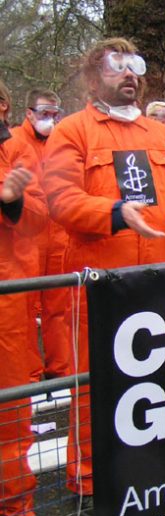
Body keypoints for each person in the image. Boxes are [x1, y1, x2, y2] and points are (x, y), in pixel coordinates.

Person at [41, 37, 165, 516]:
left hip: (157, 278)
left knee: (159, 376)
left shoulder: (161, 136)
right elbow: (60, 199)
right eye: (118, 67)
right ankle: (89, 478)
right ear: (93, 76)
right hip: (100, 282)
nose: (129, 76)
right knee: (95, 381)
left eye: (135, 67)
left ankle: (156, 465)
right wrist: (117, 213)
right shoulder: (71, 133)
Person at [0, 78, 48, 516]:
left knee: (9, 411)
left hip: (7, 301)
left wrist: (11, 201)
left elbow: (39, 213)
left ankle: (16, 507)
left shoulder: (14, 150)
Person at [11, 88, 72, 379]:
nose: (50, 119)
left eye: (54, 114)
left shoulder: (60, 142)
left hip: (57, 234)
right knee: (24, 309)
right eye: (45, 113)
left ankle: (60, 370)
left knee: (58, 307)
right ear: (29, 113)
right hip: (27, 238)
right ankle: (31, 375)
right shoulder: (13, 141)